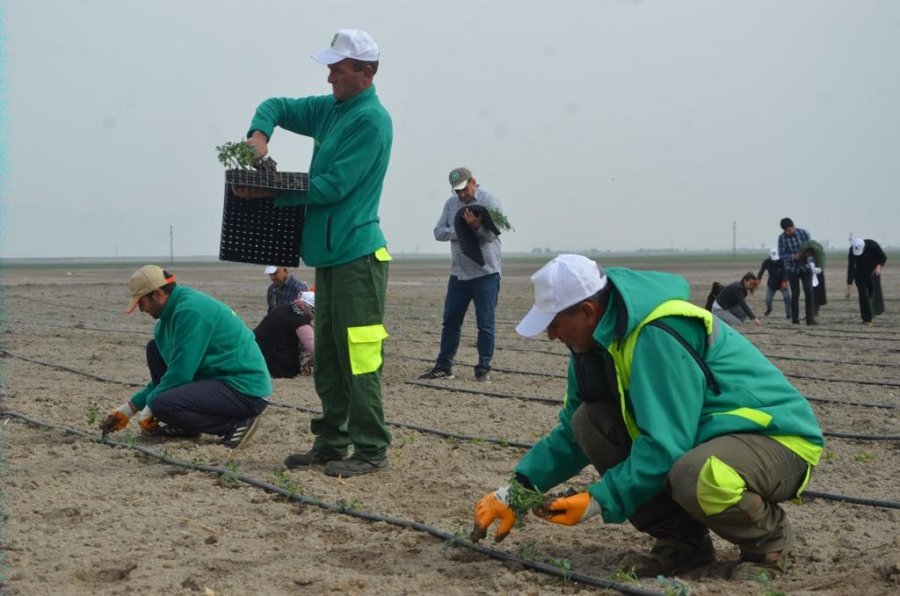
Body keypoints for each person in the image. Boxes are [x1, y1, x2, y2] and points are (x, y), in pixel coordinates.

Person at [471, 254, 823, 582]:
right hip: (706, 439)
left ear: (588, 311)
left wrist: (597, 500)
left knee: (696, 475)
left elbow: (665, 446)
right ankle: (684, 545)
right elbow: (570, 435)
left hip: (776, 439)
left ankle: (768, 542)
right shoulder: (594, 347)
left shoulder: (657, 331)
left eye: (555, 323)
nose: (551, 335)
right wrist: (516, 492)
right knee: (587, 422)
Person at [242, 28, 393, 477]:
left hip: (359, 259)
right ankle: (330, 442)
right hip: (330, 258)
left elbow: (334, 186)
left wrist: (270, 192)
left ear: (365, 73)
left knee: (358, 356)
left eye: (338, 69)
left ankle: (371, 448)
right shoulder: (331, 111)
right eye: (329, 67)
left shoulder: (370, 120)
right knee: (327, 355)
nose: (329, 77)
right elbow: (277, 105)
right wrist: (258, 135)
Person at [99, 265, 272, 449]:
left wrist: (151, 407)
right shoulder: (165, 324)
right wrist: (129, 409)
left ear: (157, 294)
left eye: (141, 303)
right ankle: (186, 427)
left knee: (162, 404)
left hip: (244, 388)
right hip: (216, 380)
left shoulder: (191, 310)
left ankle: (234, 426)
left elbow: (181, 374)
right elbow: (166, 379)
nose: (141, 310)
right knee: (154, 350)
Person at [419, 167, 502, 382]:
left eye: (464, 189)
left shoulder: (490, 202)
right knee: (451, 320)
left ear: (473, 182)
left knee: (485, 323)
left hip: (486, 273)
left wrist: (476, 227)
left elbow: (492, 235)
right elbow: (438, 232)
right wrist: (461, 230)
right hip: (459, 274)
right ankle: (444, 366)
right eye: (457, 192)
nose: (462, 195)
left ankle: (483, 368)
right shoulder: (450, 204)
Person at [254, 291, 316, 377]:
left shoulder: (286, 309)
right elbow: (313, 347)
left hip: (258, 353)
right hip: (276, 363)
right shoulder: (301, 322)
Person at [777, 217, 817, 325]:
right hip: (792, 269)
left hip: (806, 267)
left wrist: (805, 256)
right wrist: (793, 256)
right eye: (786, 231)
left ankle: (810, 318)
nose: (788, 233)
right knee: (795, 294)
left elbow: (811, 249)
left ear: (793, 226)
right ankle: (795, 319)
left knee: (809, 292)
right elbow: (781, 255)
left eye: (789, 230)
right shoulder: (782, 238)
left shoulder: (804, 233)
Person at [846, 238, 887, 324]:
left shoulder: (872, 245)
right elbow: (851, 267)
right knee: (862, 294)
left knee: (873, 293)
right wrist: (849, 285)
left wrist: (879, 266)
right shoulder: (852, 250)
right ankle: (866, 319)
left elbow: (883, 257)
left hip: (873, 271)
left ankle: (875, 311)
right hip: (860, 273)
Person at [757, 248, 791, 319]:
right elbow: (761, 271)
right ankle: (769, 309)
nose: (775, 260)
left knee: (787, 298)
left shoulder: (781, 261)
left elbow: (785, 272)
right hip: (771, 284)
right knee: (768, 300)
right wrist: (758, 279)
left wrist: (784, 281)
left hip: (782, 283)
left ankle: (789, 314)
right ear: (769, 256)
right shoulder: (766, 262)